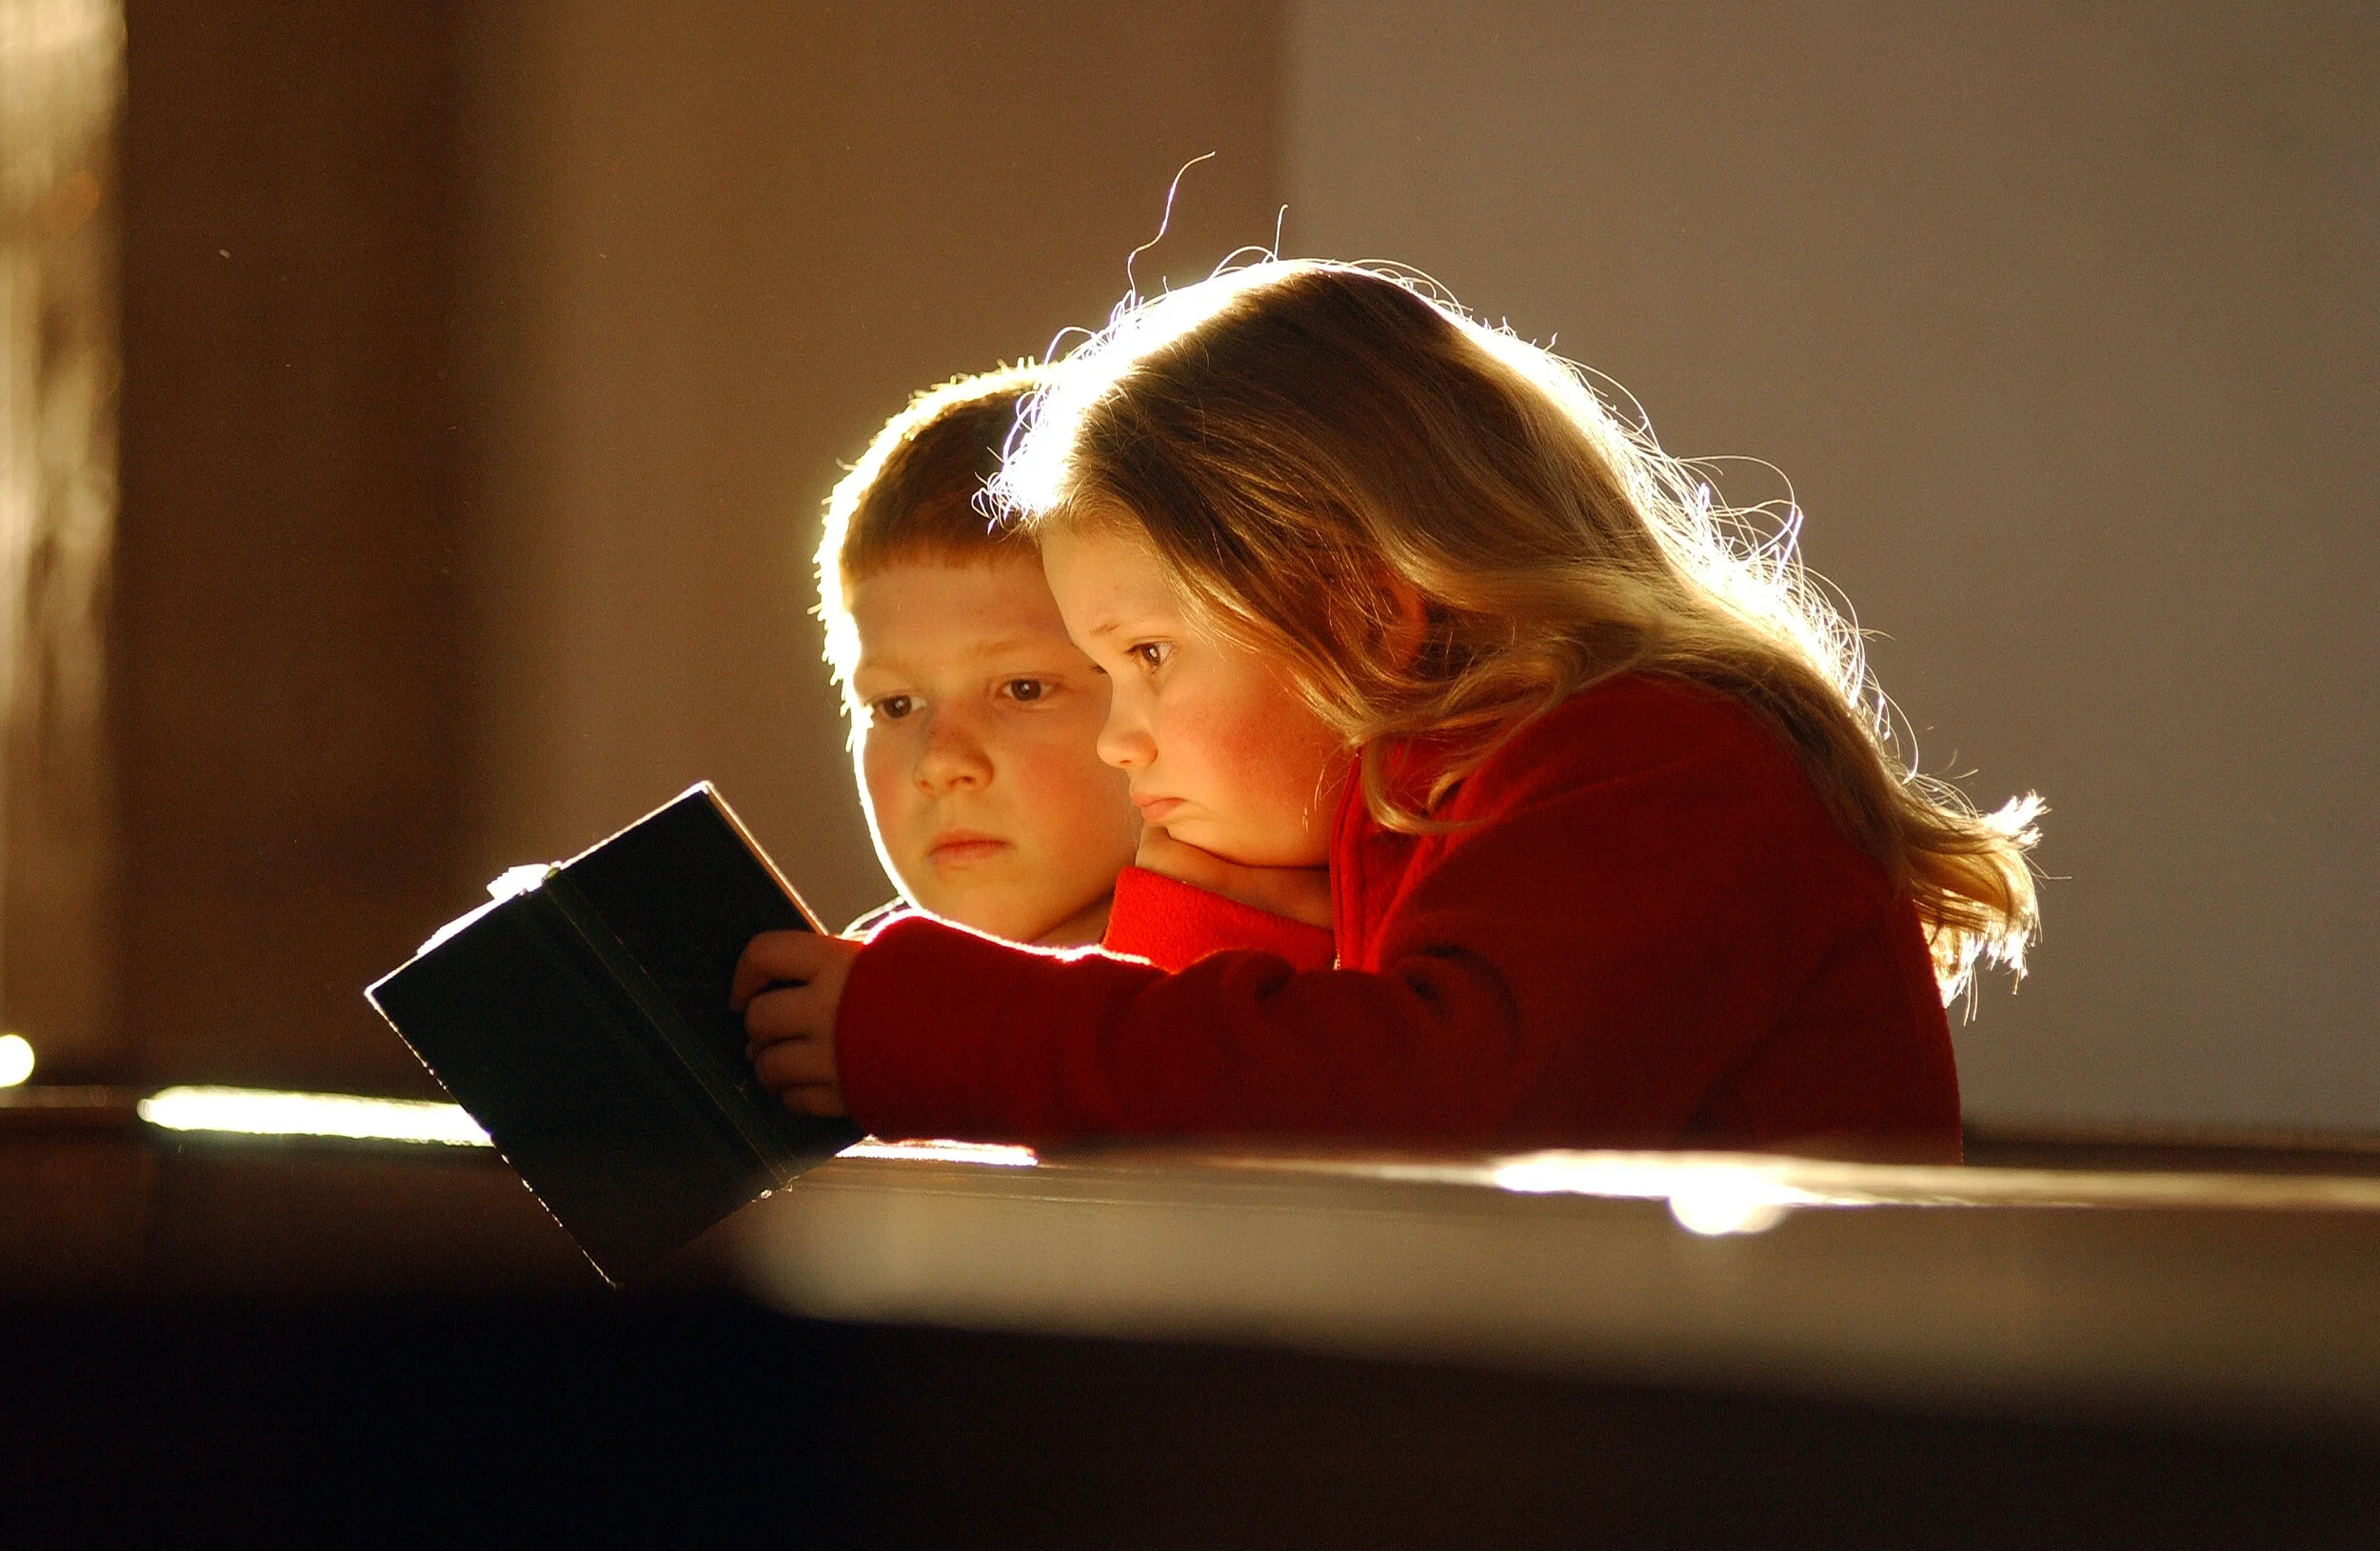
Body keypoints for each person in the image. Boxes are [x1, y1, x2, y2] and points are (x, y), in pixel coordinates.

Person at [740, 262, 2042, 1160]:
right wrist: (1197, 897)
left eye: (1146, 655)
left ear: (1366, 609)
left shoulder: (1662, 758)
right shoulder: (1423, 804)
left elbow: (1449, 1096)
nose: (1117, 732)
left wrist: (964, 1027)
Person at [815, 365, 1140, 947]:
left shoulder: (1255, 1000)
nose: (941, 763)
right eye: (894, 705)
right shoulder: (826, 1007)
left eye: (1023, 689)